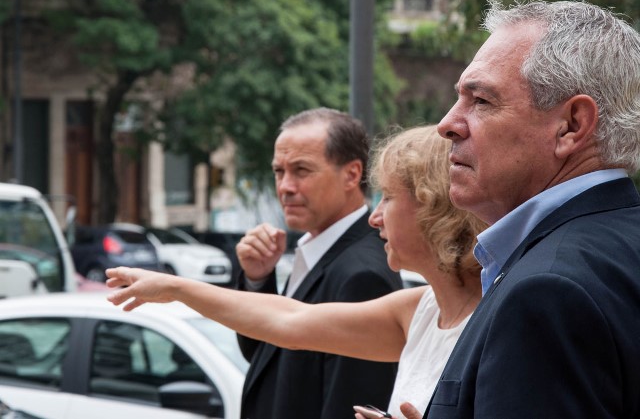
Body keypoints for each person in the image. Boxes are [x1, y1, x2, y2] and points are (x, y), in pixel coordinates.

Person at [105, 125, 487, 419]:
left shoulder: (494, 316)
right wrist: (176, 288)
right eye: (279, 171)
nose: (376, 216)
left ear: (433, 206)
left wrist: (176, 288)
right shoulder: (418, 308)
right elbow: (288, 322)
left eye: (387, 197)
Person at [421, 0, 640, 419]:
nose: (447, 124)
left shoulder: (547, 292)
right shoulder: (613, 251)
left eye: (481, 100)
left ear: (572, 125)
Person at [237, 107, 404, 419]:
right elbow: (265, 359)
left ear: (351, 174)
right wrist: (257, 279)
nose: (285, 187)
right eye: (279, 171)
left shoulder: (362, 276)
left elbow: (350, 407)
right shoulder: (319, 251)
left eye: (301, 170)